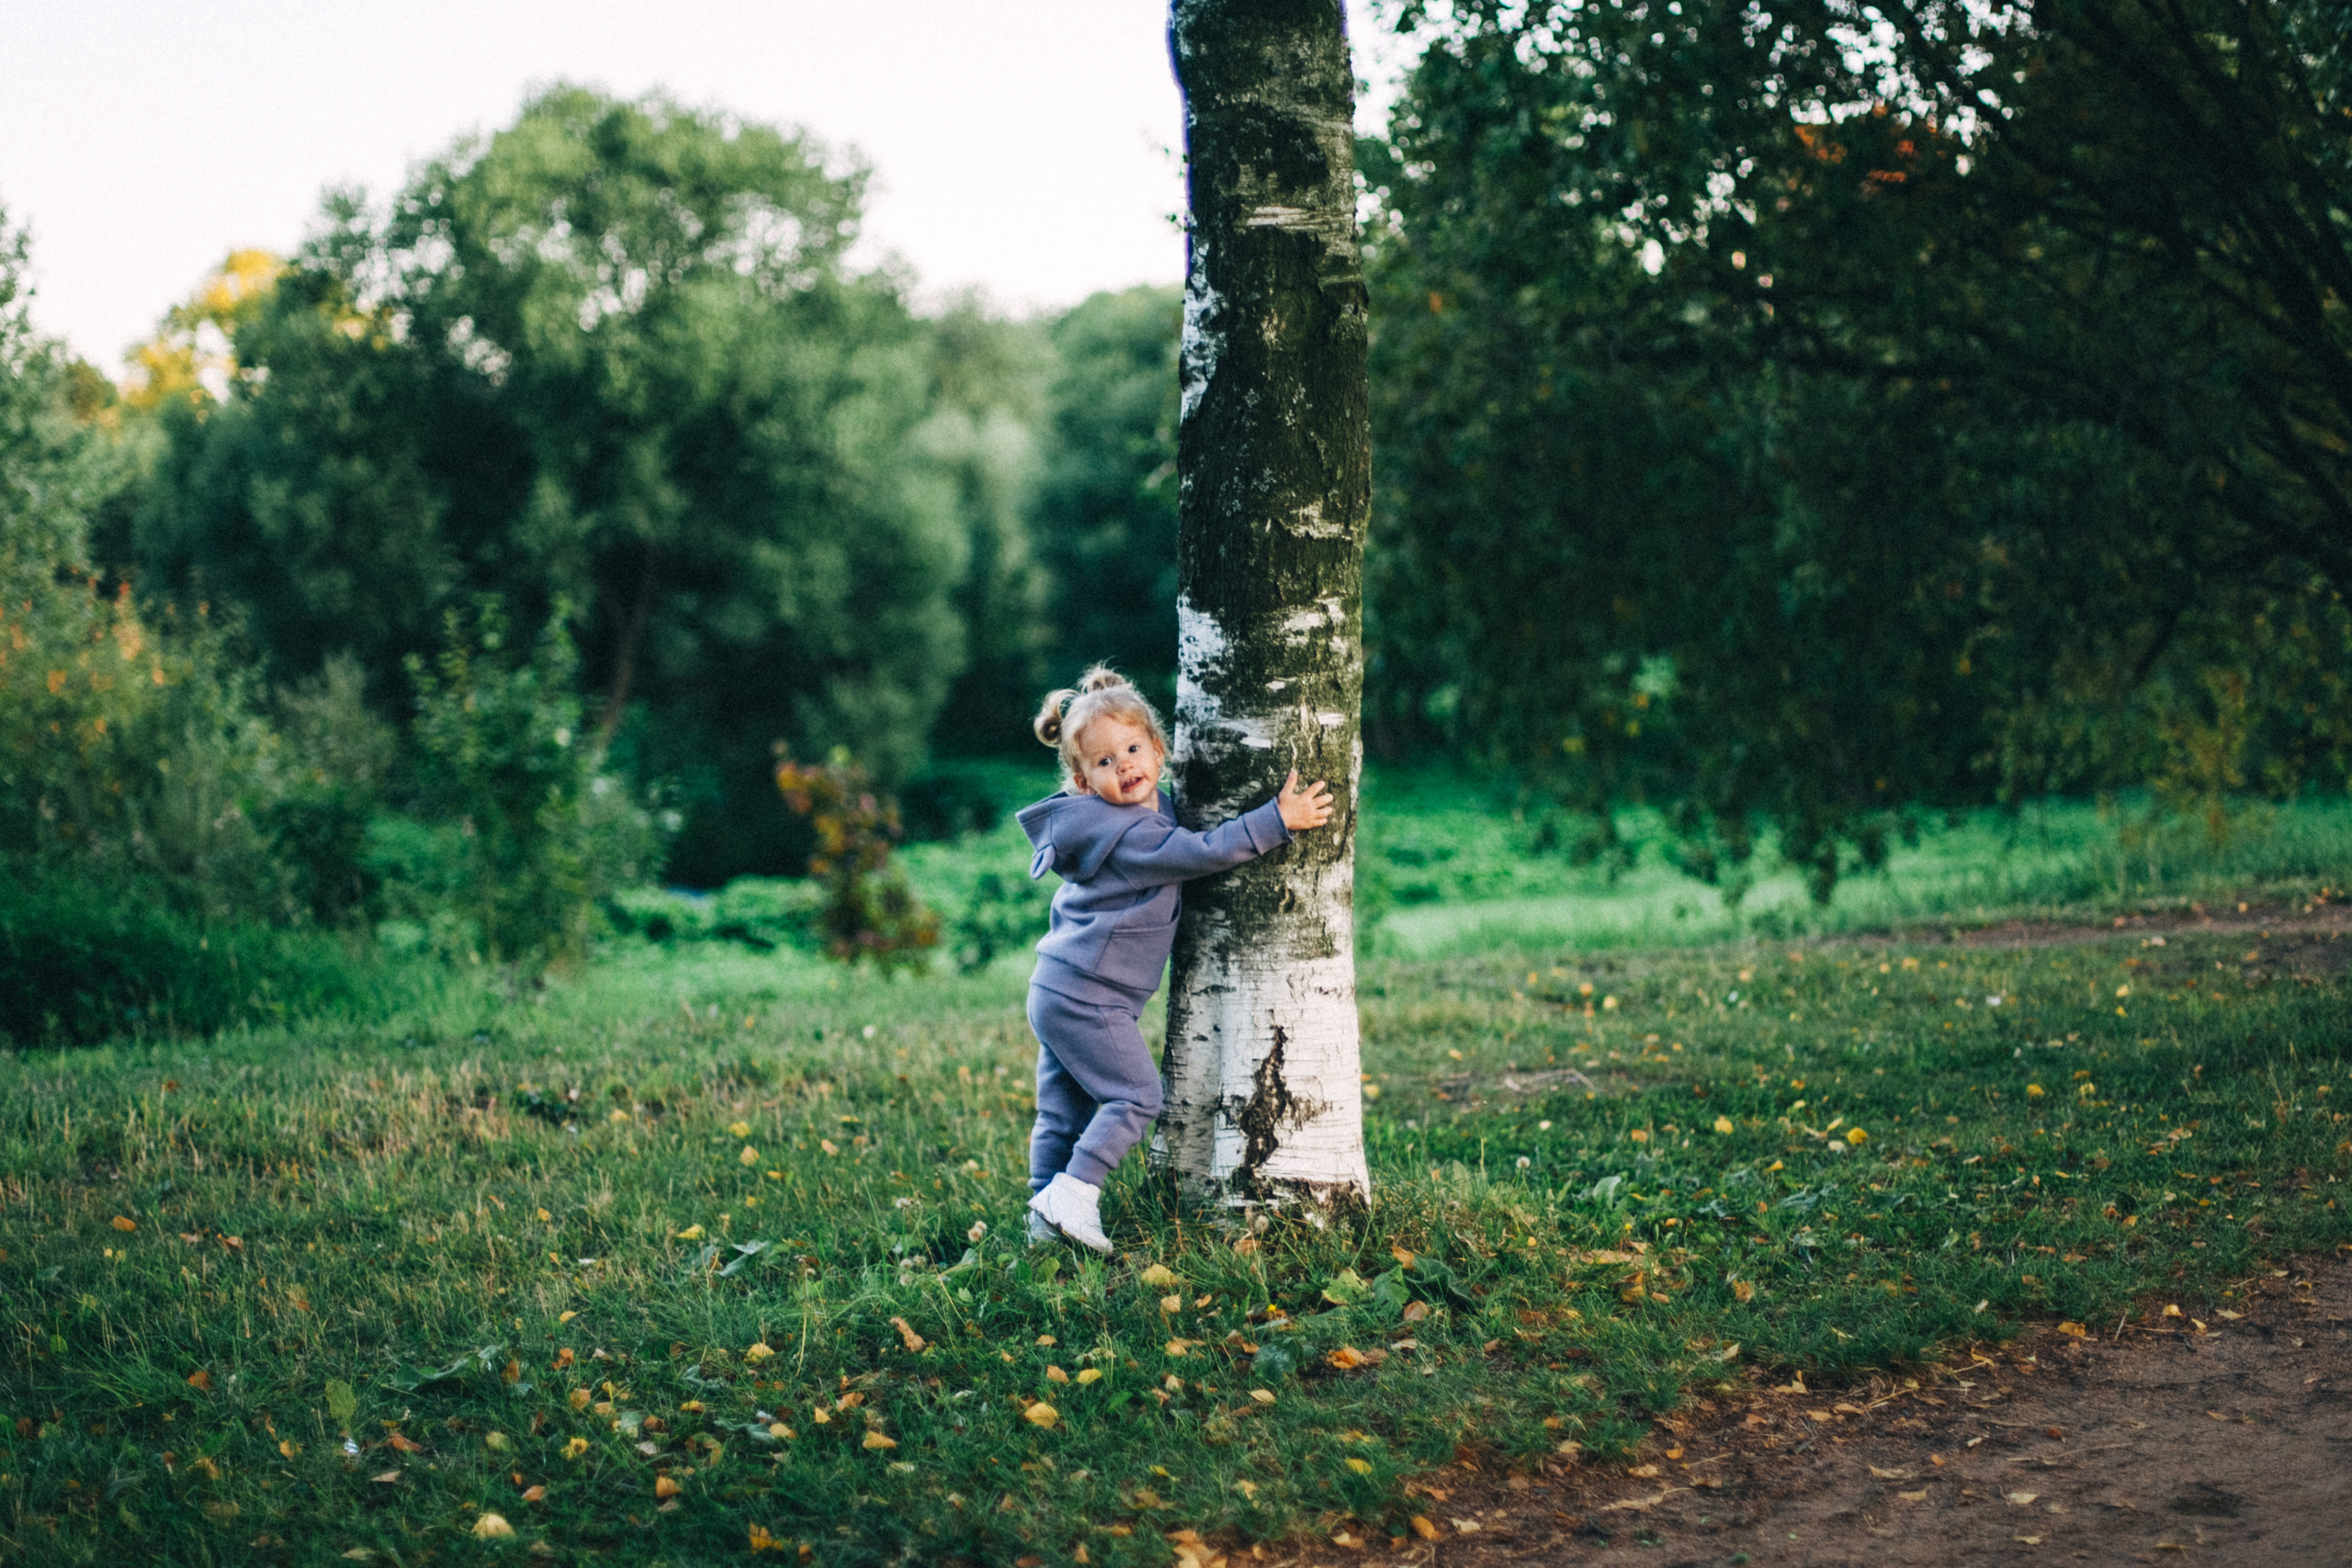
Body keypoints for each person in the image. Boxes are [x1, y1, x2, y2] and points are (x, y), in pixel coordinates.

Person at [1015, 666, 1334, 1253]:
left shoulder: (1121, 817)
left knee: (1062, 1114)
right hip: (1090, 995)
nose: (1125, 767)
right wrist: (1276, 820)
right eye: (1105, 762)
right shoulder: (1129, 836)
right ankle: (1074, 1194)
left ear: (1159, 751)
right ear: (1084, 783)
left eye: (1133, 750)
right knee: (1136, 1097)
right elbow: (1201, 851)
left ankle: (1043, 1221)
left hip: (1058, 988)